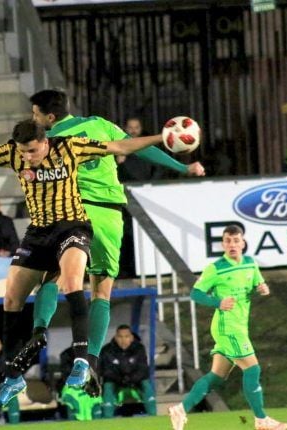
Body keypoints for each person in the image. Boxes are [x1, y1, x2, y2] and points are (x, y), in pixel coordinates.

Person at [0, 118, 168, 410]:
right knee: (11, 297)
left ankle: (83, 361)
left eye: (33, 151)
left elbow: (120, 145)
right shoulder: (13, 152)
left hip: (73, 226)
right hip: (39, 233)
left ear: (45, 141)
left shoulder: (71, 148)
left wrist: (159, 137)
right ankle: (13, 376)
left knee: (73, 282)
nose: (28, 158)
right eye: (24, 152)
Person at [22, 90, 205, 397]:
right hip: (108, 214)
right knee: (101, 291)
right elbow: (135, 149)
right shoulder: (98, 123)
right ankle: (88, 360)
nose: (33, 119)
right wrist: (182, 167)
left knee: (51, 276)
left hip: (73, 212)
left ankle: (39, 330)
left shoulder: (46, 142)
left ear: (49, 118)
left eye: (36, 114)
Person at [168, 225, 287, 430]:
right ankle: (261, 420)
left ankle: (181, 409)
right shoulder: (216, 268)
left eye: (235, 241)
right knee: (253, 368)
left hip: (240, 326)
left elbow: (256, 286)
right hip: (227, 327)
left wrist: (262, 288)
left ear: (242, 243)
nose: (232, 245)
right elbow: (195, 293)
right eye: (227, 241)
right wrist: (218, 302)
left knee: (216, 377)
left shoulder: (251, 264)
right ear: (223, 244)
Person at [98, 325, 155, 417]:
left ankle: (153, 417)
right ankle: (107, 419)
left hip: (135, 383)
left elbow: (143, 369)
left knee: (146, 384)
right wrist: (120, 379)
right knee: (108, 386)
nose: (123, 340)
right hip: (116, 383)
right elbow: (105, 370)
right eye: (120, 337)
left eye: (126, 336)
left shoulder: (139, 348)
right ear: (116, 337)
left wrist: (131, 379)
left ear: (131, 338)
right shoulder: (107, 350)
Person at [116, 117, 163, 182]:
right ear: (126, 128)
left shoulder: (149, 146)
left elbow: (158, 168)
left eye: (136, 127)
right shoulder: (118, 147)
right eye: (130, 127)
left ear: (141, 128)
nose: (133, 131)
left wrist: (151, 184)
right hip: (126, 187)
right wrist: (120, 164)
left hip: (148, 188)